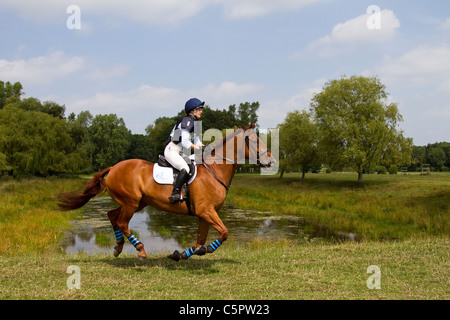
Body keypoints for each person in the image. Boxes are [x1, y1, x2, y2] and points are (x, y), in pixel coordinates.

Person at [165, 98, 204, 203]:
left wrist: (208, 148)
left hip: (180, 153)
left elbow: (197, 142)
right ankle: (175, 194)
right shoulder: (187, 121)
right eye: (199, 109)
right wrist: (199, 148)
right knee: (185, 168)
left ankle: (187, 192)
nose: (201, 111)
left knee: (193, 166)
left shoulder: (196, 124)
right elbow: (186, 142)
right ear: (192, 111)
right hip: (172, 150)